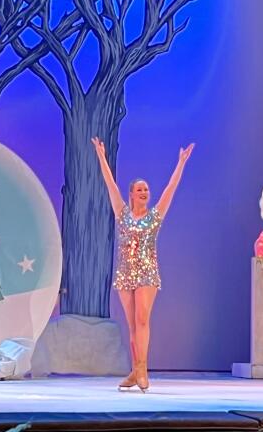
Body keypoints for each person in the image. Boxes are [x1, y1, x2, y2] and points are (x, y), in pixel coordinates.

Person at [91, 137, 194, 392]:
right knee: (131, 325)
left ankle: (143, 370)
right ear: (131, 195)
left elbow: (171, 187)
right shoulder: (122, 213)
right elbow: (109, 184)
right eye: (140, 190)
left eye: (146, 190)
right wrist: (102, 156)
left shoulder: (154, 217)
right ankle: (135, 371)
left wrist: (180, 163)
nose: (145, 193)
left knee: (142, 320)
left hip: (147, 273)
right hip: (125, 273)